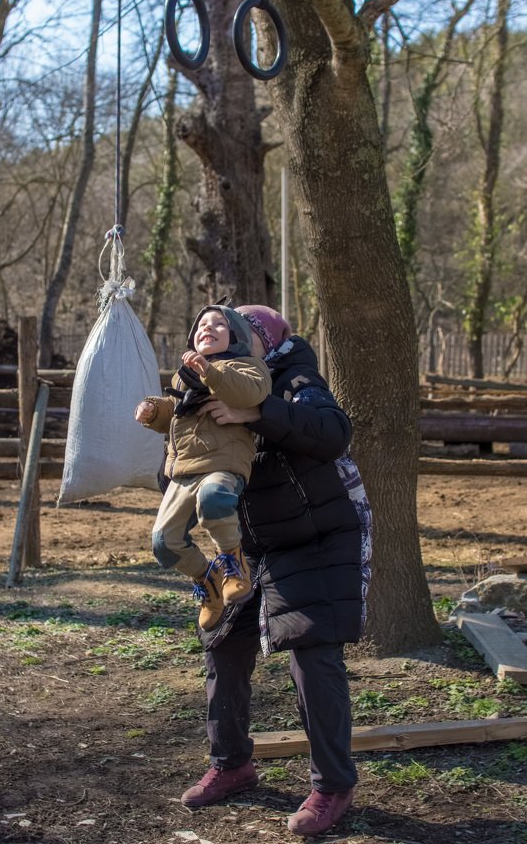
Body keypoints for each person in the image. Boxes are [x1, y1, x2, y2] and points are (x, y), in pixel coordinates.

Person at [179, 304, 373, 839]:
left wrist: (257, 413)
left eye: (244, 334)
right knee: (223, 644)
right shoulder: (203, 382)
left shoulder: (296, 378)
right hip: (247, 546)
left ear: (265, 341)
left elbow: (333, 432)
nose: (228, 340)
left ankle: (333, 785)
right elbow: (181, 462)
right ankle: (232, 764)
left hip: (316, 535)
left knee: (312, 655)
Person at [135, 304, 271, 631]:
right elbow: (178, 411)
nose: (206, 329)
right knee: (163, 543)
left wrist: (210, 372)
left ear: (236, 336)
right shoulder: (184, 377)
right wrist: (154, 411)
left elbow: (248, 392)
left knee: (213, 498)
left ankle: (235, 567)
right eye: (201, 325)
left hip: (224, 463)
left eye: (218, 325)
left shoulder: (250, 366)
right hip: (183, 470)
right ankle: (208, 582)